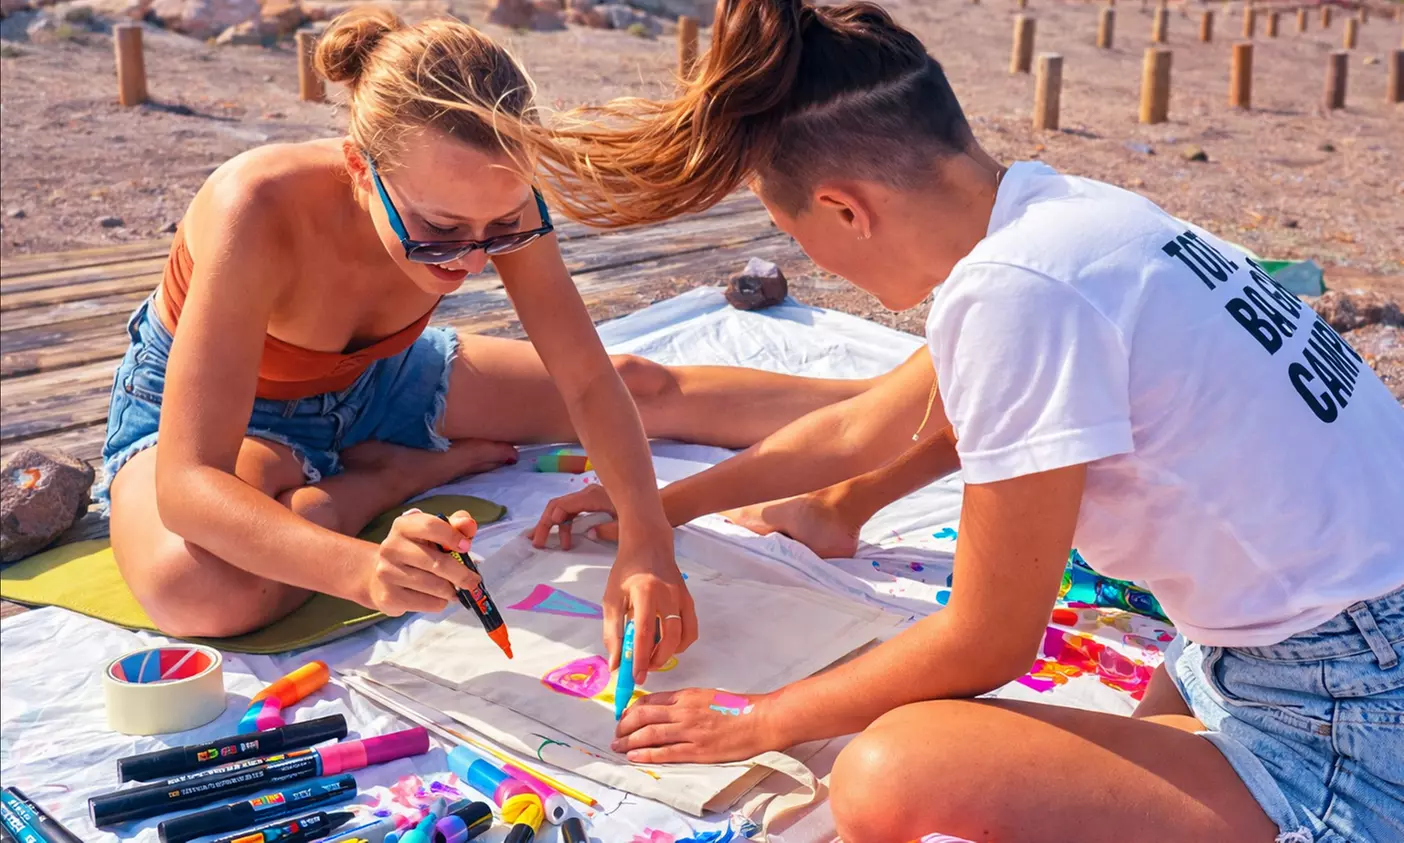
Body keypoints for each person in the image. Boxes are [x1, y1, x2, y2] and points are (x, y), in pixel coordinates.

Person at [525, 1, 1404, 841]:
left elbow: (988, 638)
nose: (812, 256)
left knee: (891, 773)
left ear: (843, 208)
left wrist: (760, 717)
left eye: (799, 235)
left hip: (1351, 706)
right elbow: (863, 430)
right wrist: (660, 509)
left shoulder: (1018, 291)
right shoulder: (1065, 219)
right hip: (1311, 650)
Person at [96, 8, 870, 673]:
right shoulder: (255, 206)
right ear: (362, 170)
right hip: (237, 417)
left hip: (385, 378)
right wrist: (365, 569)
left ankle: (910, 395)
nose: (472, 259)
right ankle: (382, 482)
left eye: (497, 232)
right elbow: (190, 480)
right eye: (438, 232)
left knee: (641, 383)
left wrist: (648, 537)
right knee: (200, 587)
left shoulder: (493, 192)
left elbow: (590, 381)